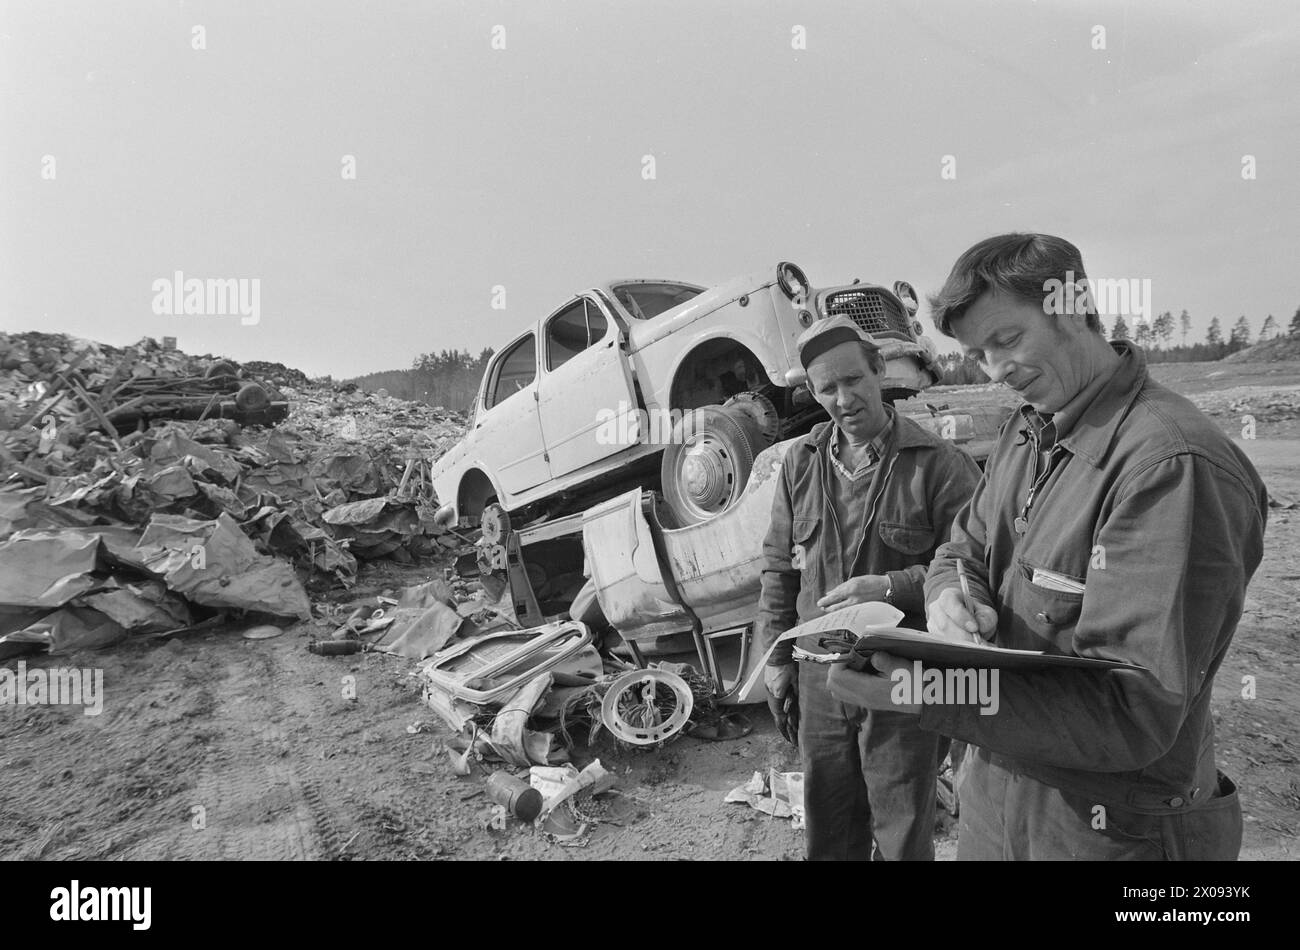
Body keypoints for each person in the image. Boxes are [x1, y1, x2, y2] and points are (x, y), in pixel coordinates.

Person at [827, 233, 1268, 860]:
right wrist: (954, 594)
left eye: (1008, 340)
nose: (997, 371)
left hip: (1112, 828)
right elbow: (962, 548)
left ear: (1075, 307)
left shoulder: (1171, 467)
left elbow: (1131, 710)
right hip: (997, 794)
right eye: (978, 354)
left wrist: (928, 691)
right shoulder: (1026, 431)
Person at [755, 315, 981, 861]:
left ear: (879, 370)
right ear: (813, 392)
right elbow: (778, 567)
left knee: (903, 827)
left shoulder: (940, 467)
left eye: (853, 380)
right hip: (818, 675)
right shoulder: (800, 465)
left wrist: (890, 587)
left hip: (899, 677)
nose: (843, 398)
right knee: (830, 826)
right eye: (827, 388)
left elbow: (978, 571)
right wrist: (776, 654)